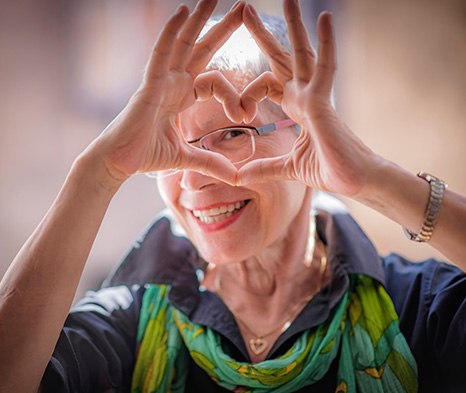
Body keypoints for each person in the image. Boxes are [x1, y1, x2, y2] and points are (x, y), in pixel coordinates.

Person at [0, 0, 465, 392]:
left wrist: (376, 179)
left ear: (309, 135)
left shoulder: (417, 309)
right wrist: (96, 175)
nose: (192, 180)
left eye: (230, 134)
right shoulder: (130, 323)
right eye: (170, 151)